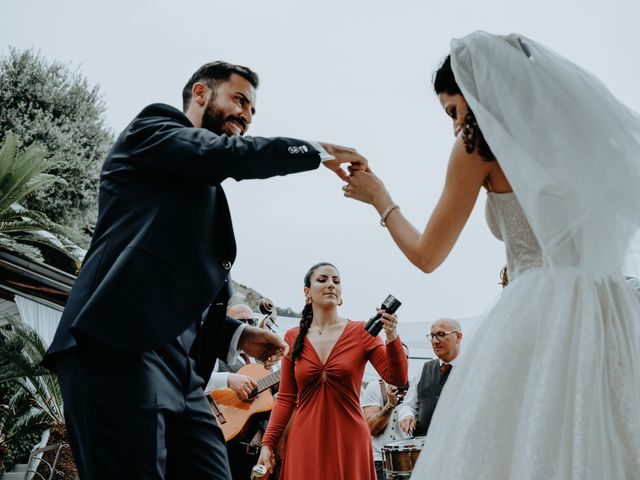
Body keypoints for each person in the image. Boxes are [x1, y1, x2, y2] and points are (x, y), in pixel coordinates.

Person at [42, 61, 368, 480]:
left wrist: (235, 333)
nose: (247, 116)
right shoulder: (153, 128)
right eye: (239, 100)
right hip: (117, 347)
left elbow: (189, 292)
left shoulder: (201, 184)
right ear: (200, 94)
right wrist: (316, 150)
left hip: (182, 373)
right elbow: (222, 155)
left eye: (253, 111)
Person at [344, 32, 640, 479]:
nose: (455, 124)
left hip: (540, 313)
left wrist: (379, 199)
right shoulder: (577, 142)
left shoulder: (479, 141)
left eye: (453, 110)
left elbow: (428, 255)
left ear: (478, 90)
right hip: (611, 311)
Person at [257, 262, 408, 479]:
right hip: (305, 439)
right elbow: (286, 398)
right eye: (323, 280)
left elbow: (397, 377)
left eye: (336, 281)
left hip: (350, 440)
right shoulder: (293, 336)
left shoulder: (362, 332)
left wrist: (392, 336)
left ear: (340, 294)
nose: (331, 285)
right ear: (307, 292)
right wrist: (267, 444)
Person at [397, 319, 461, 438]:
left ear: (458, 337)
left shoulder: (470, 368)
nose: (435, 341)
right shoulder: (423, 370)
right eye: (432, 336)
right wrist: (407, 415)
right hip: (423, 449)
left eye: (441, 335)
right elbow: (408, 405)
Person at [361, 343, 410, 480]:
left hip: (407, 461)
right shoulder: (374, 387)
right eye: (396, 357)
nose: (400, 361)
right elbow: (371, 428)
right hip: (379, 460)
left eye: (404, 357)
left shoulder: (415, 387)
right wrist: (389, 405)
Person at [205, 304, 260, 400]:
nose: (247, 326)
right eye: (240, 322)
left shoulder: (259, 358)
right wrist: (228, 379)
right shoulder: (213, 351)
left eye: (251, 322)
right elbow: (193, 381)